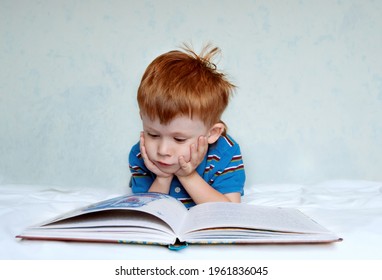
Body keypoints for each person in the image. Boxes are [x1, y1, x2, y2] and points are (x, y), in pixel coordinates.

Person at [129, 44, 245, 207]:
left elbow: (229, 210)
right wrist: (163, 178)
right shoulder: (142, 154)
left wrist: (187, 176)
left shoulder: (225, 152)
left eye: (179, 139)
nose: (162, 150)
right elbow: (147, 213)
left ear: (212, 133)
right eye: (153, 134)